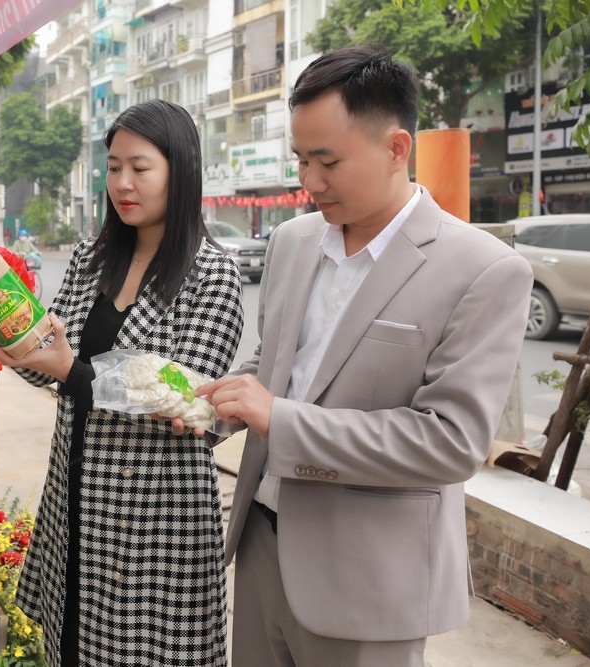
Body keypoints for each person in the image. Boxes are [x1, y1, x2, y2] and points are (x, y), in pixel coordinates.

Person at [194, 46, 533, 667]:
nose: (311, 181)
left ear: (396, 148)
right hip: (262, 547)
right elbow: (281, 369)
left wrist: (279, 418)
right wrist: (218, 403)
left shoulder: (483, 270)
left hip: (370, 582)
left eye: (328, 160)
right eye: (300, 159)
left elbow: (450, 443)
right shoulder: (294, 242)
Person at [0, 99, 244, 666]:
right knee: (73, 647)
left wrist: (70, 371)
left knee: (144, 653)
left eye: (140, 167)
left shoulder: (212, 271)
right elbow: (44, 362)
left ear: (179, 171)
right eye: (112, 167)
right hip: (77, 495)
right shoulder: (92, 256)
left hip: (158, 519)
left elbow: (189, 402)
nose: (122, 183)